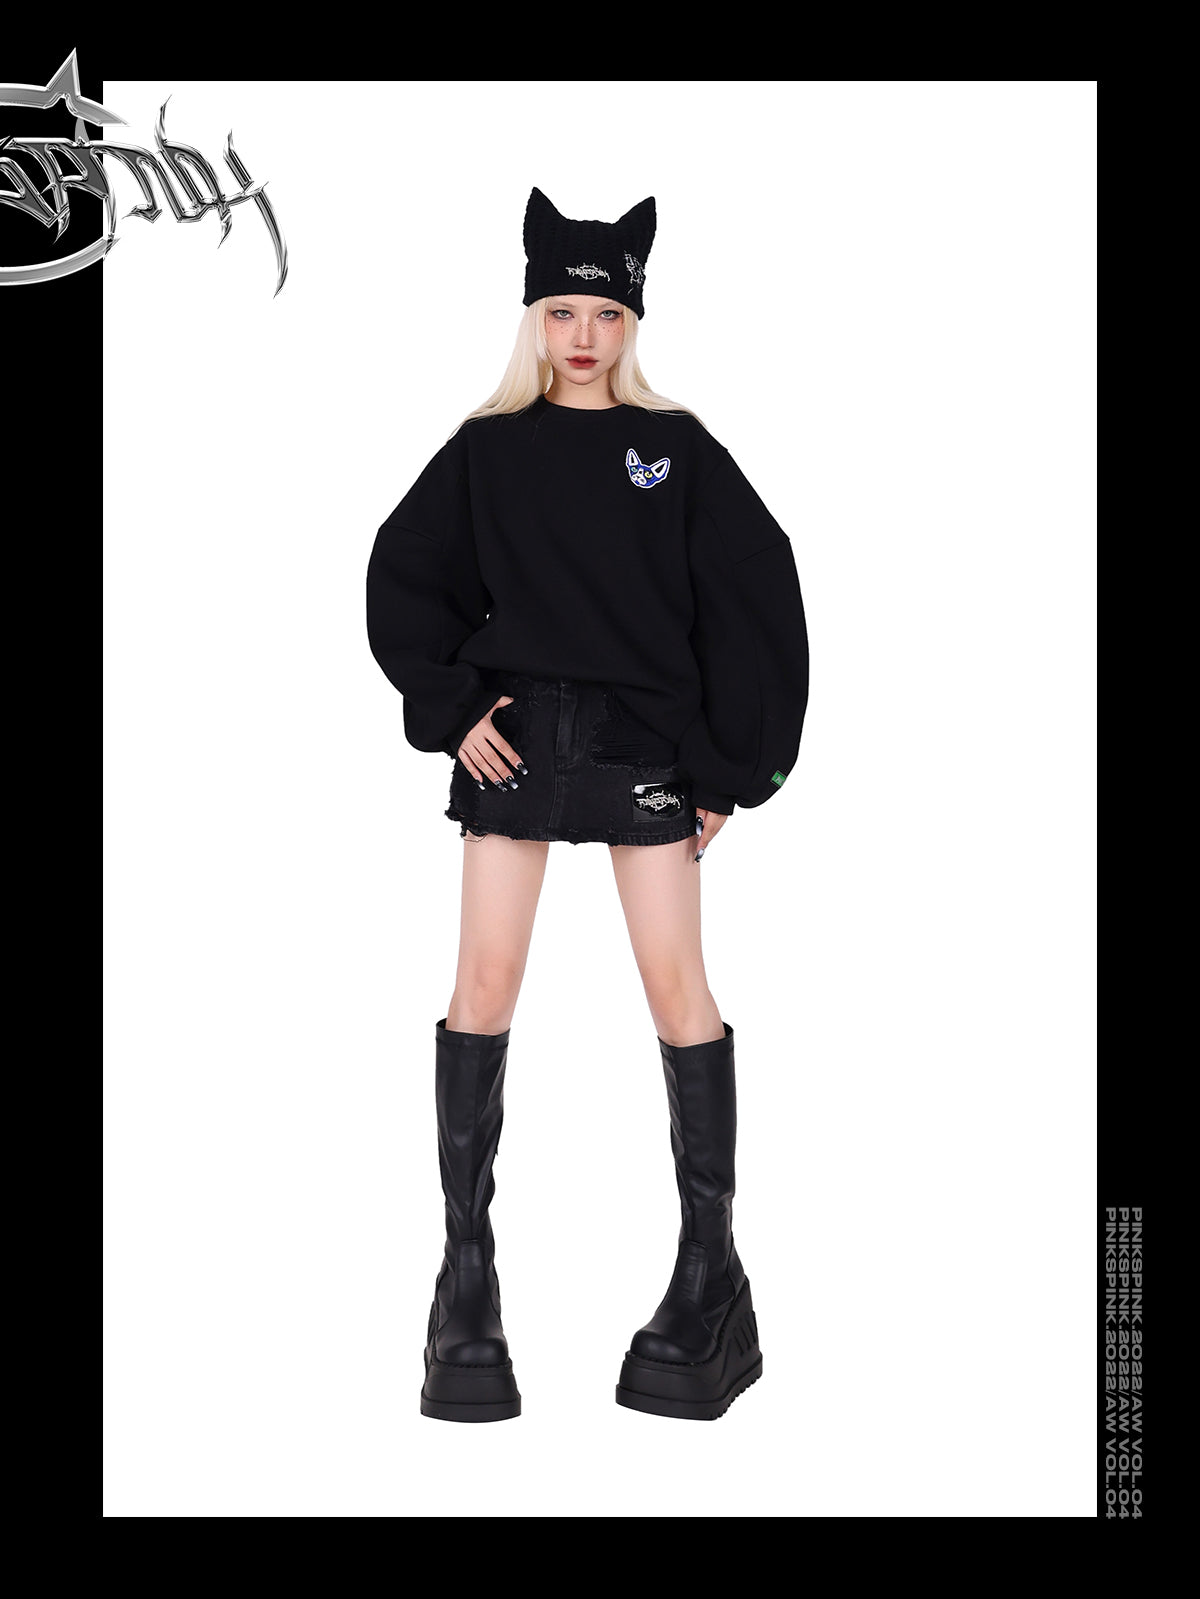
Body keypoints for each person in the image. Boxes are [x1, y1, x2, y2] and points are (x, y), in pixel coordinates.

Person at [366, 186, 809, 1422]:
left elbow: (758, 593)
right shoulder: (485, 448)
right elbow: (401, 574)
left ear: (632, 321)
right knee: (481, 988)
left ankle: (711, 1276)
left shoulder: (678, 450)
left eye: (605, 314)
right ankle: (466, 1284)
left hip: (639, 742)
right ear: (533, 318)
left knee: (677, 991)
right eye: (562, 312)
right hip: (515, 745)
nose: (582, 336)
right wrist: (454, 706)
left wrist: (731, 772)